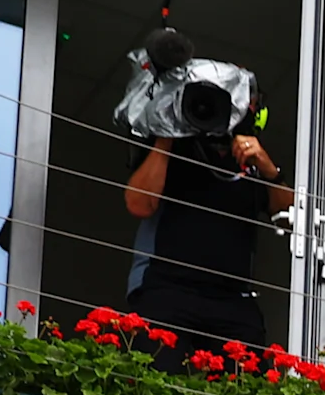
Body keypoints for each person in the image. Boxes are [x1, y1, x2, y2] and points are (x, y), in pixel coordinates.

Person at [120, 69, 292, 358]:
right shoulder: (174, 148)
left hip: (232, 297)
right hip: (165, 286)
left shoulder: (248, 160)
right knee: (155, 381)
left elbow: (287, 211)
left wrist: (267, 166)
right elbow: (138, 204)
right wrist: (168, 134)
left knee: (246, 386)